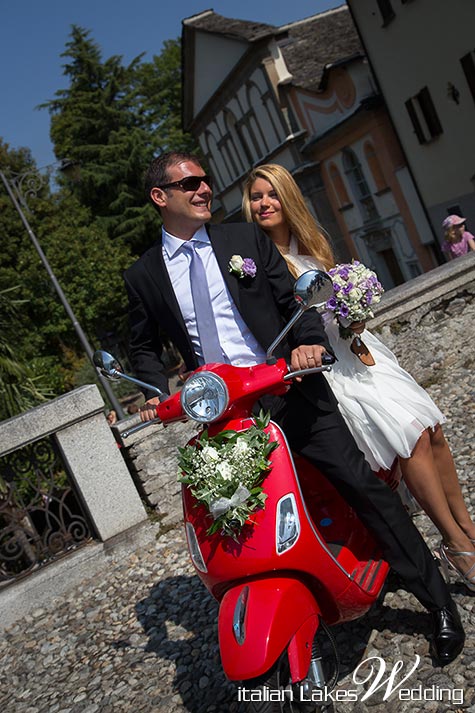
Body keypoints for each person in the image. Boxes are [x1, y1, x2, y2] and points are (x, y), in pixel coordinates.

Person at [124, 151, 464, 665]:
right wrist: (153, 390)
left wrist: (306, 345)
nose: (204, 190)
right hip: (224, 417)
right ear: (160, 197)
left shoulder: (243, 240)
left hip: (290, 388)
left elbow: (293, 306)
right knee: (235, 515)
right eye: (189, 183)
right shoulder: (144, 274)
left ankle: (437, 601)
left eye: (206, 181)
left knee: (362, 487)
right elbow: (143, 346)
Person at [242, 163, 475, 593]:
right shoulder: (255, 264)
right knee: (410, 438)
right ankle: (455, 543)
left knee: (433, 429)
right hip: (327, 371)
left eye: (271, 194)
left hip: (360, 354)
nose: (263, 204)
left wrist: (354, 311)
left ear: (287, 198)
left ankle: (469, 531)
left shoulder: (311, 244)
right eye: (256, 197)